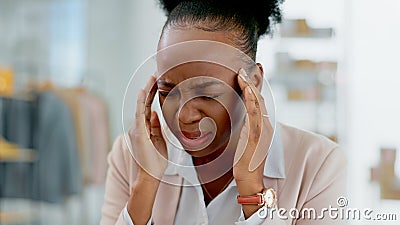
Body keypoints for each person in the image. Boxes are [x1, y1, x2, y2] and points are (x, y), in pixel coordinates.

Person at [100, 0, 347, 225]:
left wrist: (252, 193)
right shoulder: (130, 156)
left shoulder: (317, 164)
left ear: (253, 82)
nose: (185, 116)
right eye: (167, 91)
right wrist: (145, 185)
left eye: (207, 94)